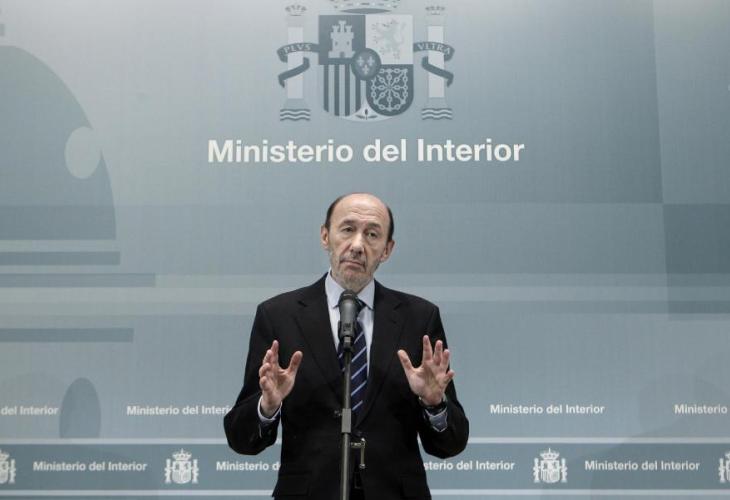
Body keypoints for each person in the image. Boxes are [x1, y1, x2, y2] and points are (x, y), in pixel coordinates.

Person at [224, 193, 468, 500]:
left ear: (387, 249)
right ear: (325, 236)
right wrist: (267, 407)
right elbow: (240, 438)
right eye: (347, 229)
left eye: (372, 234)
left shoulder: (419, 318)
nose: (357, 245)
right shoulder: (278, 316)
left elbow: (451, 444)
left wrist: (434, 404)